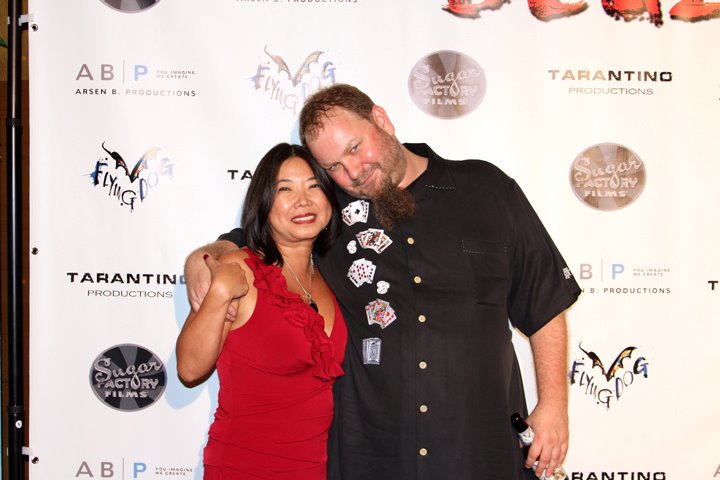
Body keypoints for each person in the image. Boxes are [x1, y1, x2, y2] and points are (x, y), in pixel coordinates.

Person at [184, 84, 581, 480]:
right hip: (373, 456)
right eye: (334, 167)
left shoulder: (486, 189)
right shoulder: (325, 212)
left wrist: (553, 406)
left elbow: (543, 302)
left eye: (355, 148)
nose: (353, 173)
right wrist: (204, 259)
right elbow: (256, 238)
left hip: (478, 449)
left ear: (381, 119)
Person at [176, 143, 347, 480]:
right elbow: (190, 369)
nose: (303, 200)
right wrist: (221, 289)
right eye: (286, 189)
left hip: (313, 469)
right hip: (245, 467)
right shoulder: (240, 268)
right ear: (264, 203)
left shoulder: (332, 276)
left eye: (314, 186)